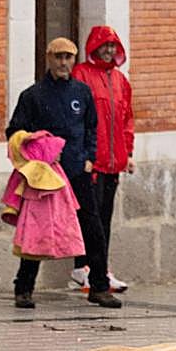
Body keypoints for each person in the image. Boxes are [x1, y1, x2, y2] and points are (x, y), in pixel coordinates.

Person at [6, 36, 120, 309]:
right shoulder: (32, 96)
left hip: (78, 172)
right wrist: (40, 147)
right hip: (46, 177)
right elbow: (15, 133)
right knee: (37, 230)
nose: (63, 62)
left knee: (93, 230)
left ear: (74, 60)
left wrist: (90, 158)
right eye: (58, 57)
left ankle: (100, 287)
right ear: (48, 58)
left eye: (68, 57)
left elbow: (92, 127)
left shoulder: (82, 93)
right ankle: (23, 289)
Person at [70, 25, 134, 294]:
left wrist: (127, 153)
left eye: (113, 46)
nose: (109, 51)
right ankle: (83, 268)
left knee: (104, 217)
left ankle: (100, 270)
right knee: (90, 218)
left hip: (113, 162)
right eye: (104, 46)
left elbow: (127, 119)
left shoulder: (120, 81)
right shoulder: (81, 75)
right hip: (91, 162)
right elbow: (78, 119)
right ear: (94, 48)